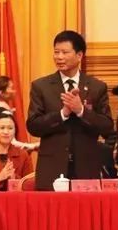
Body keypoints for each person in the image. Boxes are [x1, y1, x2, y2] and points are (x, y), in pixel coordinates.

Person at [26, 30, 113, 190]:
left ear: (79, 55)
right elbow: (33, 126)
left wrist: (81, 111)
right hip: (52, 168)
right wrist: (62, 114)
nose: (59, 57)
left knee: (85, 207)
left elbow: (107, 126)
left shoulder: (96, 87)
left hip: (86, 168)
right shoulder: (41, 86)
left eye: (65, 52)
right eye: (56, 52)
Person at [0, 76, 38, 151]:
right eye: (11, 88)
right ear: (1, 93)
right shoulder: (2, 114)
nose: (14, 91)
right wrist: (34, 146)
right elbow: (11, 143)